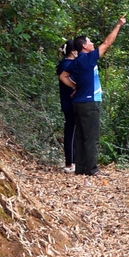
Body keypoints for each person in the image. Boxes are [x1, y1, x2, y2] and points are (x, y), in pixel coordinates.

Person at [59, 16, 126, 176]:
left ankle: (81, 168)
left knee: (81, 136)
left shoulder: (75, 62)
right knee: (91, 136)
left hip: (78, 103)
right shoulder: (88, 59)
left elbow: (63, 76)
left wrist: (74, 86)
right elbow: (107, 43)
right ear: (83, 46)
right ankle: (92, 169)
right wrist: (118, 25)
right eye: (89, 42)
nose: (92, 44)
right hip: (90, 103)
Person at [56, 41, 79, 173]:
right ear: (73, 51)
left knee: (74, 131)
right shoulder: (66, 65)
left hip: (71, 102)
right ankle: (70, 162)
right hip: (69, 102)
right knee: (71, 131)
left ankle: (74, 161)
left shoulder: (66, 64)